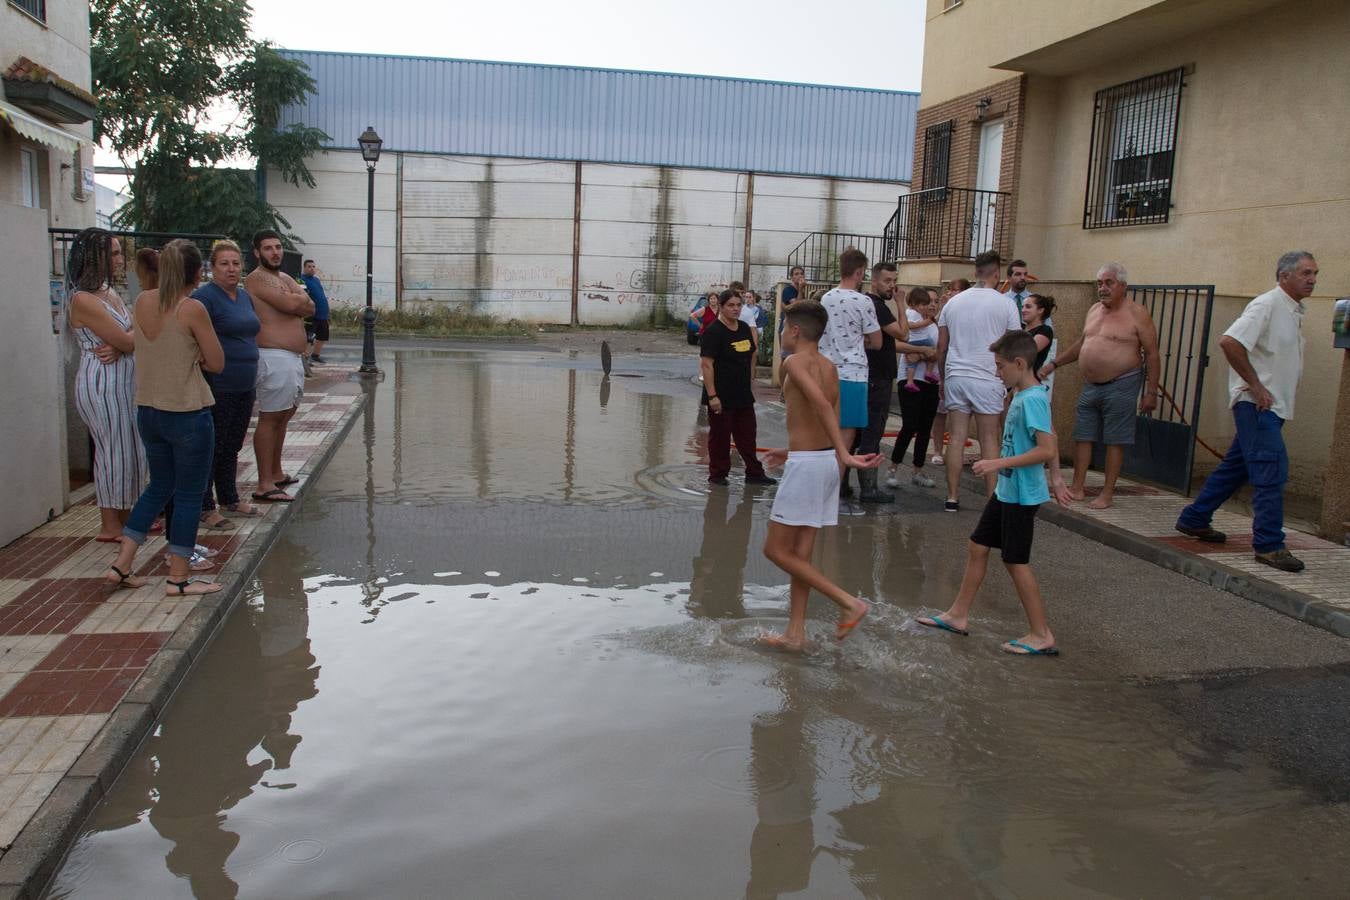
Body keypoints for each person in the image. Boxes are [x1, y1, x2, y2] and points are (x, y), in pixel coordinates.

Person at [918, 331, 1059, 656]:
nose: (996, 373)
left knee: (1015, 562)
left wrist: (997, 461)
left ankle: (1041, 634)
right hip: (1008, 490)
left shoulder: (1034, 399)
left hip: (1023, 495)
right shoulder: (1021, 396)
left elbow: (1047, 449)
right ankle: (957, 614)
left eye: (999, 366)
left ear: (1019, 364)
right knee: (978, 545)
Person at [1175, 251, 1318, 573]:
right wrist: (1255, 385)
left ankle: (1194, 518)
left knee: (1236, 468)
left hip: (1272, 407)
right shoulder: (1267, 304)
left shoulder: (1293, 311)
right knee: (1271, 471)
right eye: (1306, 273)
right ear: (1284, 276)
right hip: (1257, 406)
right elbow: (1230, 342)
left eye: (1314, 273)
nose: (1312, 279)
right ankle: (1269, 545)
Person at [103, 240, 225, 597]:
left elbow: (139, 343)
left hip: (149, 411)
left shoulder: (142, 301)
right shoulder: (192, 309)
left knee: (158, 486)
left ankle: (122, 563)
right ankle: (179, 578)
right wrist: (197, 354)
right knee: (189, 496)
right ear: (197, 272)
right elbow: (217, 363)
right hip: (187, 413)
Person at [757, 301, 881, 651]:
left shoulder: (794, 362)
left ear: (795, 331)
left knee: (776, 550)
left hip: (813, 465)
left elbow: (822, 406)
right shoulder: (829, 365)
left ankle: (849, 602)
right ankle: (795, 634)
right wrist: (798, 450)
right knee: (800, 554)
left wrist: (844, 454)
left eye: (784, 327)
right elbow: (823, 416)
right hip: (822, 460)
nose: (782, 333)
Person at [1039, 262, 1159, 509]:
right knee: (1083, 435)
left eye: (1109, 283)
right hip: (1090, 384)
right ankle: (1078, 487)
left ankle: (1106, 493)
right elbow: (1082, 343)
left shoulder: (1137, 313)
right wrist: (1054, 364)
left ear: (1123, 286)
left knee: (1115, 439)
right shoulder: (1094, 309)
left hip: (1122, 383)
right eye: (1100, 283)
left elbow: (1153, 353)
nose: (1103, 288)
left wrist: (1151, 392)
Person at [66, 229, 147, 542]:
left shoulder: (108, 293)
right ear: (92, 257)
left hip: (124, 378)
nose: (118, 259)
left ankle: (126, 515)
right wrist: (126, 343)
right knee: (113, 450)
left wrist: (127, 343)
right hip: (102, 382)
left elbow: (130, 337)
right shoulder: (83, 299)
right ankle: (110, 524)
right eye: (112, 253)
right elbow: (129, 337)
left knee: (130, 449)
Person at [936, 252, 1022, 512]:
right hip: (987, 377)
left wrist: (943, 377)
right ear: (997, 274)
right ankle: (991, 500)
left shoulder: (952, 303)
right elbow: (1015, 343)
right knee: (989, 439)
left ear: (976, 273)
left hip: (956, 376)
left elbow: (942, 346)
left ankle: (952, 497)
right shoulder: (1005, 304)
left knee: (957, 437)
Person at [194, 240, 262, 528]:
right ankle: (205, 507)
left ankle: (229, 498)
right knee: (213, 445)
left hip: (245, 383)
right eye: (224, 263)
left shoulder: (244, 297)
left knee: (233, 444)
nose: (231, 269)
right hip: (218, 384)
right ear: (212, 268)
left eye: (236, 263)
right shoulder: (205, 298)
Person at [245, 230, 314, 503]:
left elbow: (312, 307)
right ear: (257, 253)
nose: (275, 252)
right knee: (271, 417)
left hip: (293, 358)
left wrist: (298, 302)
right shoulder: (257, 279)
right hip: (273, 356)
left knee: (285, 415)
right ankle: (264, 483)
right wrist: (297, 301)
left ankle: (276, 472)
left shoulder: (283, 277)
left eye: (278, 247)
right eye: (268, 248)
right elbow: (291, 302)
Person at [818, 248, 881, 489]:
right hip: (853, 374)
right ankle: (832, 492)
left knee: (825, 434)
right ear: (859, 272)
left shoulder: (826, 298)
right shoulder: (863, 301)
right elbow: (877, 341)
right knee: (845, 438)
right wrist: (862, 339)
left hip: (827, 371)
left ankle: (823, 488)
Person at [700, 289, 775, 487]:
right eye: (731, 305)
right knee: (720, 437)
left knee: (748, 435)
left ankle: (754, 473)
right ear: (722, 307)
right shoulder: (713, 331)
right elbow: (706, 365)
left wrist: (751, 380)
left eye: (738, 305)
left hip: (742, 393)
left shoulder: (742, 327)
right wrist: (712, 396)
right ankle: (718, 474)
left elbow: (751, 354)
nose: (735, 309)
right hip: (721, 395)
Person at [888, 287, 943, 489]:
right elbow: (899, 344)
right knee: (909, 424)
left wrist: (927, 355)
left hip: (931, 380)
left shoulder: (937, 325)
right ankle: (893, 467)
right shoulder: (912, 318)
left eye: (936, 301)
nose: (932, 304)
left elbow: (939, 351)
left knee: (925, 427)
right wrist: (922, 351)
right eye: (928, 300)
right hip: (910, 378)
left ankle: (917, 470)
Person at [929, 279, 970, 468]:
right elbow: (938, 335)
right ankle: (937, 450)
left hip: (961, 368)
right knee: (940, 411)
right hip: (945, 366)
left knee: (958, 416)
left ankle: (954, 452)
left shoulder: (969, 310)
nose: (953, 293)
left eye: (957, 290)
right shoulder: (947, 309)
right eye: (951, 290)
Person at [299, 258, 331, 363]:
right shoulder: (301, 280)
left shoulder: (316, 280)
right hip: (311, 314)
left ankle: (316, 355)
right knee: (309, 337)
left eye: (313, 267)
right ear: (304, 268)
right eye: (309, 267)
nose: (312, 269)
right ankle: (305, 358)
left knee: (322, 336)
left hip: (323, 314)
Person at [1022, 293, 1056, 374]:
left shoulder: (1045, 330)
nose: (1023, 310)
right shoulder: (1020, 327)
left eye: (1028, 307)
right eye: (1022, 307)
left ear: (1040, 310)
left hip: (1029, 381)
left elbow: (1025, 352)